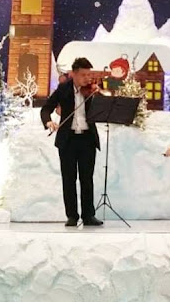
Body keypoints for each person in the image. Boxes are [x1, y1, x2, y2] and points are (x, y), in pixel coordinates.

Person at [41, 57, 103, 227]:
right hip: (68, 140)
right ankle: (72, 216)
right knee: (68, 179)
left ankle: (88, 215)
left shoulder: (92, 90)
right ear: (74, 74)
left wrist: (99, 96)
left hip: (87, 139)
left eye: (89, 75)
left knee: (87, 179)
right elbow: (46, 108)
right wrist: (49, 122)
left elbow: (102, 108)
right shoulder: (63, 89)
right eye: (83, 75)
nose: (87, 78)